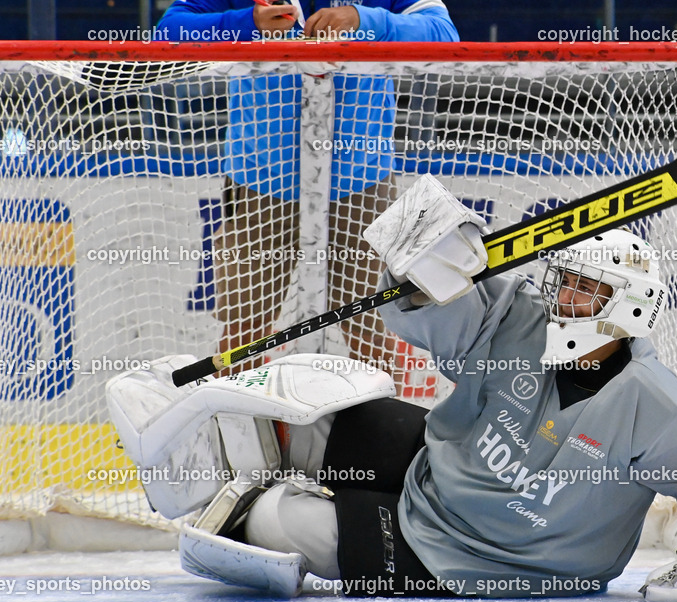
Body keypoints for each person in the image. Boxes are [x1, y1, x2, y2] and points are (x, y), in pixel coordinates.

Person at [106, 175, 677, 602]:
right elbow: (449, 318)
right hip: (440, 464)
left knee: (279, 523)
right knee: (306, 416)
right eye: (564, 278)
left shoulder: (652, 404)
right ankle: (190, 462)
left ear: (628, 307)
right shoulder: (528, 320)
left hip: (487, 560)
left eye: (586, 289)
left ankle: (241, 503)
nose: (564, 295)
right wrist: (427, 273)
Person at [157, 1, 459, 376]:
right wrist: (246, 23)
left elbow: (445, 36)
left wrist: (364, 20)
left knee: (371, 332)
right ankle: (229, 432)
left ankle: (389, 434)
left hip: (360, 183)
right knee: (243, 334)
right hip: (260, 182)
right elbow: (169, 32)